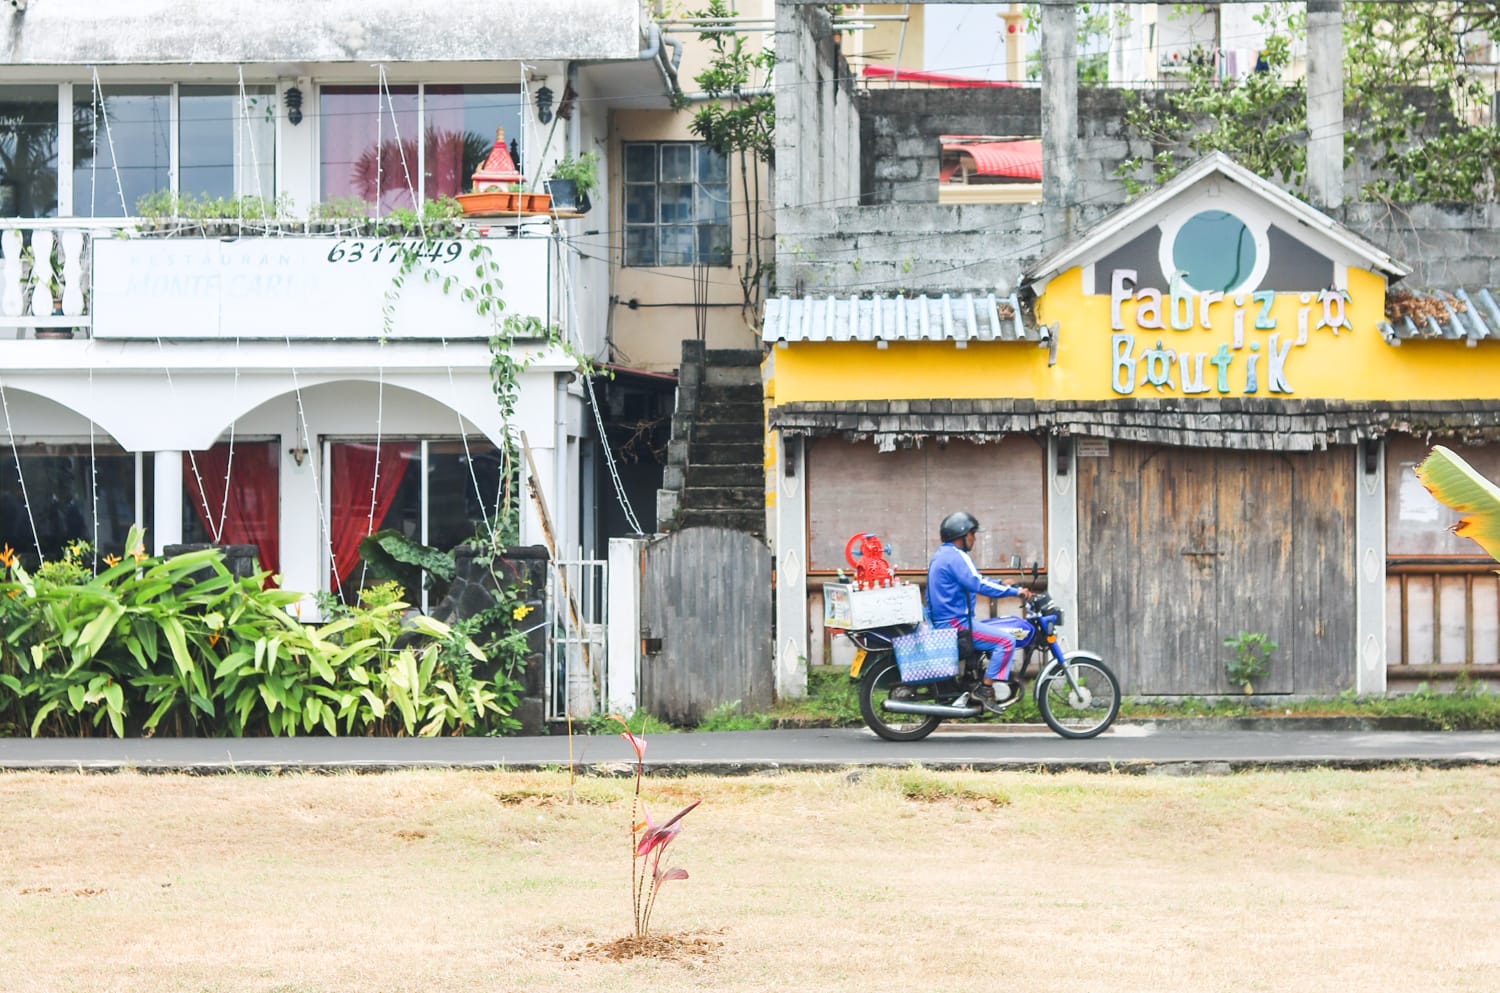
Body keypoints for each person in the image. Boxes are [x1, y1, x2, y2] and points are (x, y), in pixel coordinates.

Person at [926, 510, 1030, 705]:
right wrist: (1015, 592)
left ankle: (974, 680)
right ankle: (985, 688)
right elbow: (977, 584)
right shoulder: (957, 556)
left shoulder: (942, 554)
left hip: (946, 620)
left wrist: (1000, 582)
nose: (974, 539)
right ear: (962, 535)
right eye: (972, 534)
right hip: (956, 623)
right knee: (1006, 641)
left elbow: (974, 580)